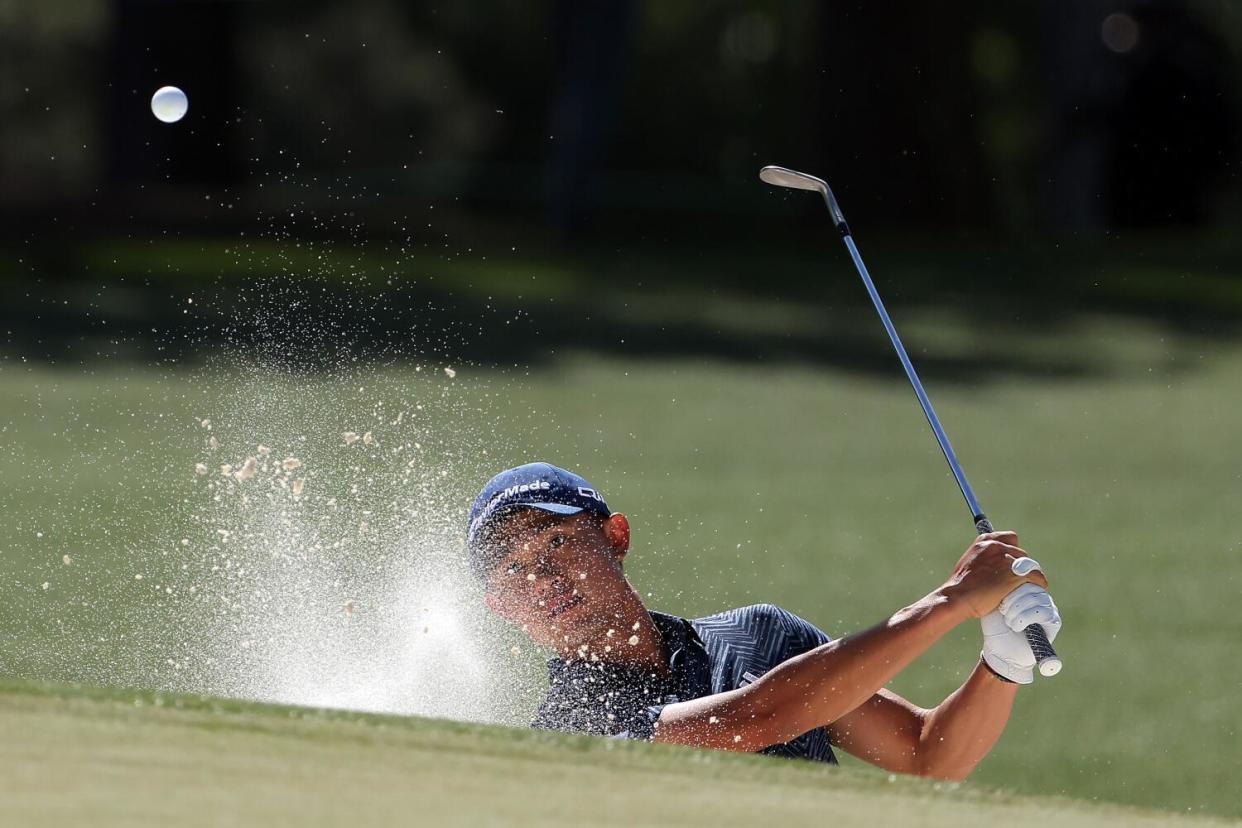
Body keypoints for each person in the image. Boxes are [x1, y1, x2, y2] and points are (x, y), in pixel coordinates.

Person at [467, 462, 1061, 780]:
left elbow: (929, 758)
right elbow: (752, 720)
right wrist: (951, 603)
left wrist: (1002, 664)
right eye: (510, 570)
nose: (541, 579)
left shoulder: (762, 636)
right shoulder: (566, 730)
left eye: (556, 540)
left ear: (614, 537)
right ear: (499, 608)